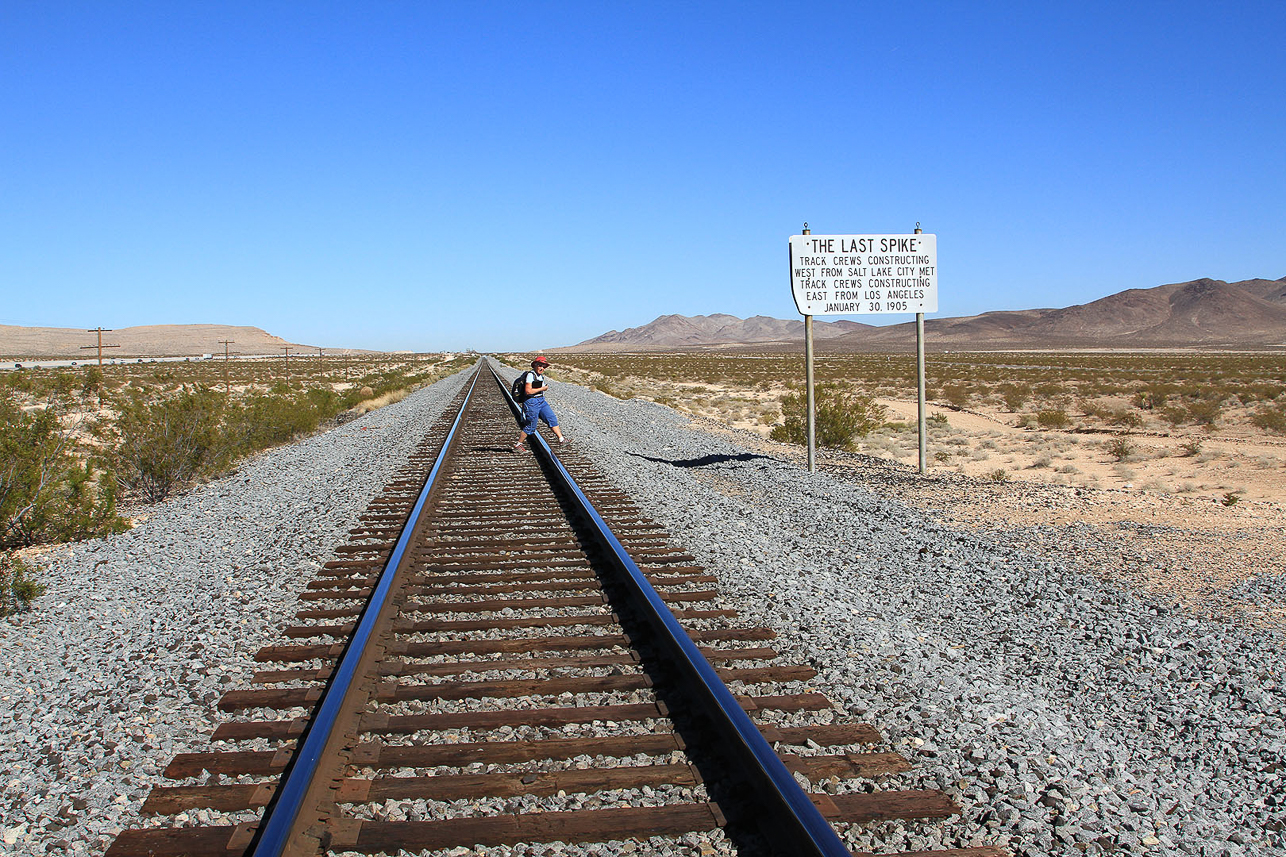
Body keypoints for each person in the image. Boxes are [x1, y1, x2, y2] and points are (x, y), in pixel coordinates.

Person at [513, 356, 567, 451]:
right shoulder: (531, 375)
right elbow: (528, 391)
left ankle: (561, 439)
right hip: (531, 402)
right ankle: (518, 445)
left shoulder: (540, 376)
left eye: (544, 366)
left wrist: (541, 389)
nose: (542, 368)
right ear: (535, 365)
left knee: (551, 418)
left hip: (541, 401)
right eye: (540, 365)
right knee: (531, 426)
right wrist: (543, 388)